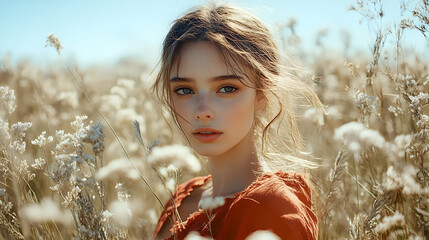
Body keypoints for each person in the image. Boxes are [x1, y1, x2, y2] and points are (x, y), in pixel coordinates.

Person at [151, 3, 324, 240]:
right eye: (184, 90)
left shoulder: (273, 210)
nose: (202, 111)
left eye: (226, 88)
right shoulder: (184, 197)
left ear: (261, 92)